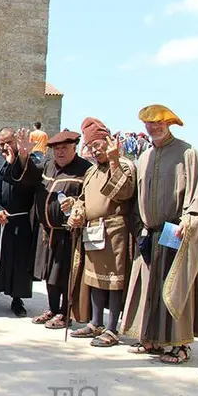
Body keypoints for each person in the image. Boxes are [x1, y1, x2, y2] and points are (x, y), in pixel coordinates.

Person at [122, 105, 198, 364]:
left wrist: (189, 221)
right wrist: (139, 227)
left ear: (169, 124)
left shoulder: (188, 153)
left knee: (174, 288)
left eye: (158, 123)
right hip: (150, 233)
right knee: (149, 288)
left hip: (176, 232)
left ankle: (180, 345)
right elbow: (136, 197)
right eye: (148, 124)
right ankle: (151, 339)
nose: (153, 128)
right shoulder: (145, 156)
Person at [67, 117, 136, 347]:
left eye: (99, 145)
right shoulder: (91, 172)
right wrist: (77, 211)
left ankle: (112, 328)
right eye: (91, 147)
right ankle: (95, 322)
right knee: (94, 279)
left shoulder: (124, 164)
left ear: (109, 142)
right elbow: (83, 199)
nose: (95, 151)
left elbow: (123, 193)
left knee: (113, 282)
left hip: (115, 230)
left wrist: (115, 161)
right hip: (93, 231)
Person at [16, 130, 91, 329]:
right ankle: (52, 308)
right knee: (49, 273)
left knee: (64, 274)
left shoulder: (85, 169)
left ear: (74, 147)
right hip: (46, 231)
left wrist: (75, 203)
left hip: (68, 233)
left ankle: (66, 313)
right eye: (56, 148)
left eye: (64, 148)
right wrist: (23, 155)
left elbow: (89, 198)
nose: (60, 152)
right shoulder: (48, 165)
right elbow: (28, 178)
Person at [0, 128, 39, 317]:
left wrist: (17, 161)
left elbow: (25, 183)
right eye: (1, 143)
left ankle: (17, 299)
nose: (4, 147)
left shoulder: (28, 160)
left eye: (8, 142)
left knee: (17, 261)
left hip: (18, 219)